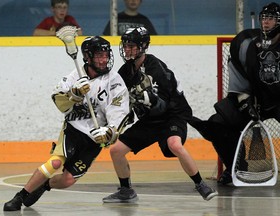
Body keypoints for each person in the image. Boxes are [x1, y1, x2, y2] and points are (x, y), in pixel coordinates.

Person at [3, 36, 129, 211]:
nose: (104, 60)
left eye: (106, 55)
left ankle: (44, 184)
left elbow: (119, 111)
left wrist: (110, 131)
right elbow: (59, 102)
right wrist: (74, 94)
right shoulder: (75, 75)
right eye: (99, 55)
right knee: (55, 162)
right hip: (73, 129)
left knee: (67, 180)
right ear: (87, 57)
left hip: (94, 138)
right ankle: (19, 197)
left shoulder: (114, 80)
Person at [102, 27, 218, 203]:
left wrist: (154, 101)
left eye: (131, 46)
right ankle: (126, 190)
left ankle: (201, 184)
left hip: (171, 116)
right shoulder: (125, 72)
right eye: (125, 45)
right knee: (116, 151)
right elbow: (118, 100)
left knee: (175, 145)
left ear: (143, 46)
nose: (127, 49)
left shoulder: (156, 68)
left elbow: (169, 100)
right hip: (150, 120)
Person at [189, 2, 280, 185]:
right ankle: (236, 168)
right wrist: (245, 102)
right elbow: (238, 78)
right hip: (254, 100)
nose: (266, 22)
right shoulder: (247, 43)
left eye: (271, 18)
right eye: (264, 18)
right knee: (218, 124)